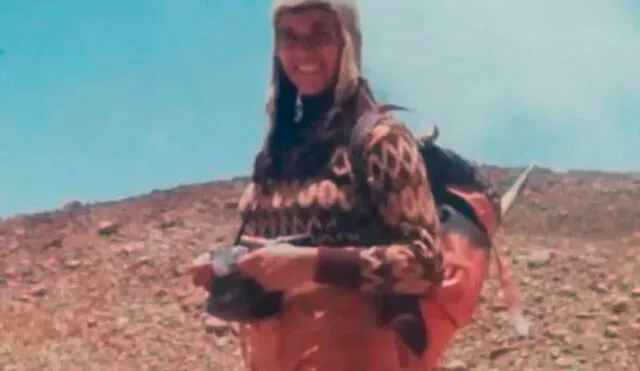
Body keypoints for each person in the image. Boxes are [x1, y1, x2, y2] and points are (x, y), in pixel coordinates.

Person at [189, 0, 514, 369]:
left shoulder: (380, 139)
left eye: (320, 34)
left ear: (347, 41)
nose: (303, 49)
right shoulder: (278, 149)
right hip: (272, 353)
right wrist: (225, 265)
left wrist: (314, 264)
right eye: (289, 35)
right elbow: (268, 250)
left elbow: (424, 264)